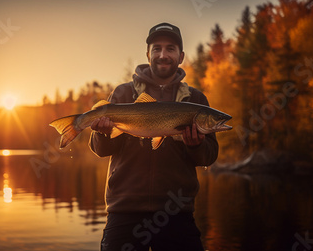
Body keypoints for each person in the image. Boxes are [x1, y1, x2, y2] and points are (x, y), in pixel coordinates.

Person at [89, 22, 218, 251]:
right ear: (148, 53)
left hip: (177, 213)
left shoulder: (196, 100)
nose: (163, 54)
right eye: (156, 48)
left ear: (181, 56)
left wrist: (195, 145)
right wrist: (103, 133)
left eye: (170, 48)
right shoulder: (122, 93)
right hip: (124, 212)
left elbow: (208, 157)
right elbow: (100, 149)